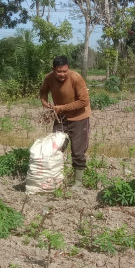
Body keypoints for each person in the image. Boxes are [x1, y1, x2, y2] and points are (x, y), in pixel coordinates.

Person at [39, 55, 91, 189]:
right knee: (55, 149)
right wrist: (45, 103)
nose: (62, 74)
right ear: (53, 70)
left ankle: (78, 182)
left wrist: (61, 108)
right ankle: (56, 177)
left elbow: (84, 101)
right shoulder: (49, 78)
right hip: (61, 118)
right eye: (59, 71)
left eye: (64, 71)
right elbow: (43, 91)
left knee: (78, 151)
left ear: (68, 69)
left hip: (79, 118)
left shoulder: (76, 78)